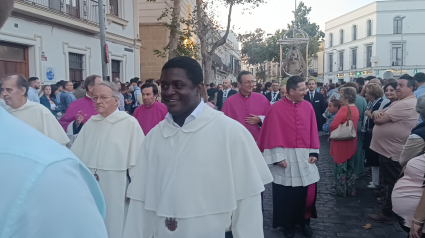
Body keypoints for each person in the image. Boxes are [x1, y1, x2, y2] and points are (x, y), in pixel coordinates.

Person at [123, 56, 273, 238]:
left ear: (199, 89)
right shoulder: (155, 136)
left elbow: (248, 204)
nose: (169, 92)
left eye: (178, 85)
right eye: (165, 85)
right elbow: (140, 201)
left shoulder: (231, 132)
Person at [71, 82, 144, 238]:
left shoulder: (129, 123)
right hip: (91, 184)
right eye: (95, 98)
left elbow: (139, 161)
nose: (98, 102)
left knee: (115, 224)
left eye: (103, 97)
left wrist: (134, 189)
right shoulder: (91, 123)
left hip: (117, 185)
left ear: (116, 100)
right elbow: (76, 156)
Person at [257, 76, 320, 238]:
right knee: (286, 195)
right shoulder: (276, 108)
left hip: (305, 155)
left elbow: (313, 129)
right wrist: (277, 158)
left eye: (305, 89)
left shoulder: (308, 107)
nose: (305, 92)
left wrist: (314, 152)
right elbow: (271, 133)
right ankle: (288, 224)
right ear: (291, 91)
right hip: (285, 157)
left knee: (307, 194)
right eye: (302, 90)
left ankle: (304, 222)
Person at [368, 75, 419, 223]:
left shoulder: (404, 104)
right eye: (397, 84)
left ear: (411, 88)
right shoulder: (400, 102)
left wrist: (378, 114)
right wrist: (379, 113)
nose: (397, 88)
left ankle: (389, 213)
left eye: (401, 85)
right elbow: (380, 113)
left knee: (393, 183)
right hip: (389, 149)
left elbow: (378, 118)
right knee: (391, 182)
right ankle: (389, 209)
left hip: (393, 151)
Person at [2, 74, 69, 146]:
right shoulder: (4, 113)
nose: (4, 93)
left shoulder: (40, 111)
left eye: (9, 90)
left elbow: (57, 143)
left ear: (22, 91)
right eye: (3, 90)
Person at [222, 71, 270, 141]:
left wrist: (260, 119)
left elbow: (271, 118)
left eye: (252, 82)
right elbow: (223, 124)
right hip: (237, 141)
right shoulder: (229, 102)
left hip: (258, 141)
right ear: (239, 84)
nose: (251, 85)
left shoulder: (262, 99)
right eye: (247, 82)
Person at [329, 87, 360, 197]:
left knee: (340, 168)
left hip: (341, 142)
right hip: (351, 141)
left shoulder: (344, 109)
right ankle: (350, 189)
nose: (340, 98)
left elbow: (333, 125)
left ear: (346, 96)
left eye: (341, 96)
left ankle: (341, 190)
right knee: (350, 168)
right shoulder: (355, 108)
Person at [59, 75, 103, 147]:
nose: (104, 87)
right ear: (90, 88)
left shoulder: (107, 102)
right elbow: (63, 124)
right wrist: (76, 124)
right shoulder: (76, 105)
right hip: (85, 144)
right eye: (100, 85)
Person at [341, 82, 367, 175]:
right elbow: (365, 113)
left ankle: (347, 169)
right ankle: (358, 169)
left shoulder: (345, 100)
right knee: (358, 148)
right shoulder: (362, 99)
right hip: (359, 125)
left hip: (347, 125)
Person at [362, 83, 384, 189]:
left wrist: (369, 114)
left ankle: (376, 182)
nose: (365, 94)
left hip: (374, 132)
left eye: (367, 92)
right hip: (369, 132)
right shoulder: (372, 102)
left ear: (372, 93)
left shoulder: (379, 103)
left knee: (374, 158)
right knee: (371, 157)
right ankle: (375, 180)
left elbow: (377, 116)